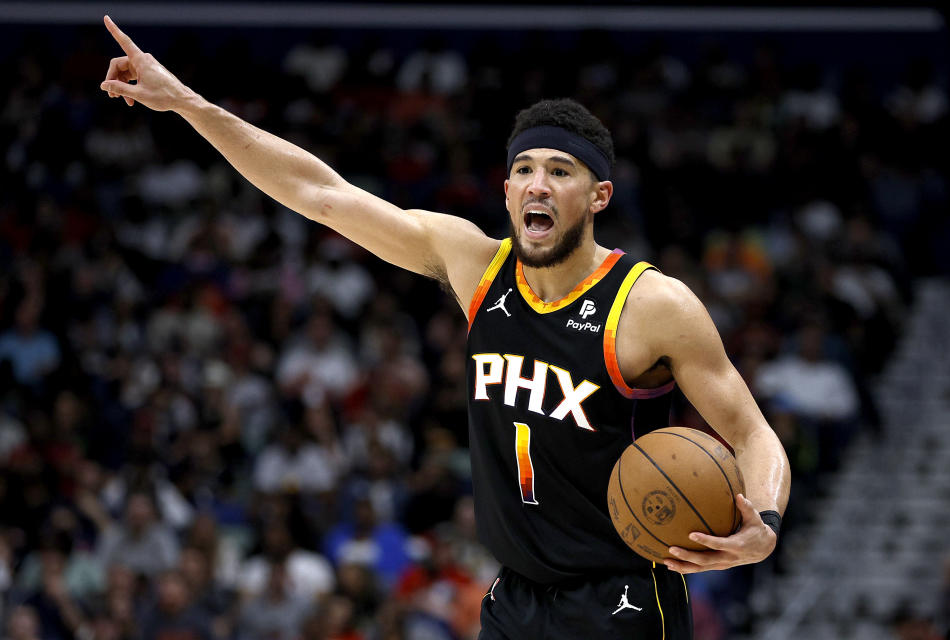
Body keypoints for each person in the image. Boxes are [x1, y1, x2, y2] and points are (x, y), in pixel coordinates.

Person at [100, 16, 791, 639]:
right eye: (523, 170)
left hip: (621, 598)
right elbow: (319, 192)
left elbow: (753, 433)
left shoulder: (652, 305)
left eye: (560, 171)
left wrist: (762, 523)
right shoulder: (474, 266)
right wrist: (186, 103)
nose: (537, 184)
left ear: (599, 195)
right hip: (515, 599)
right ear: (507, 192)